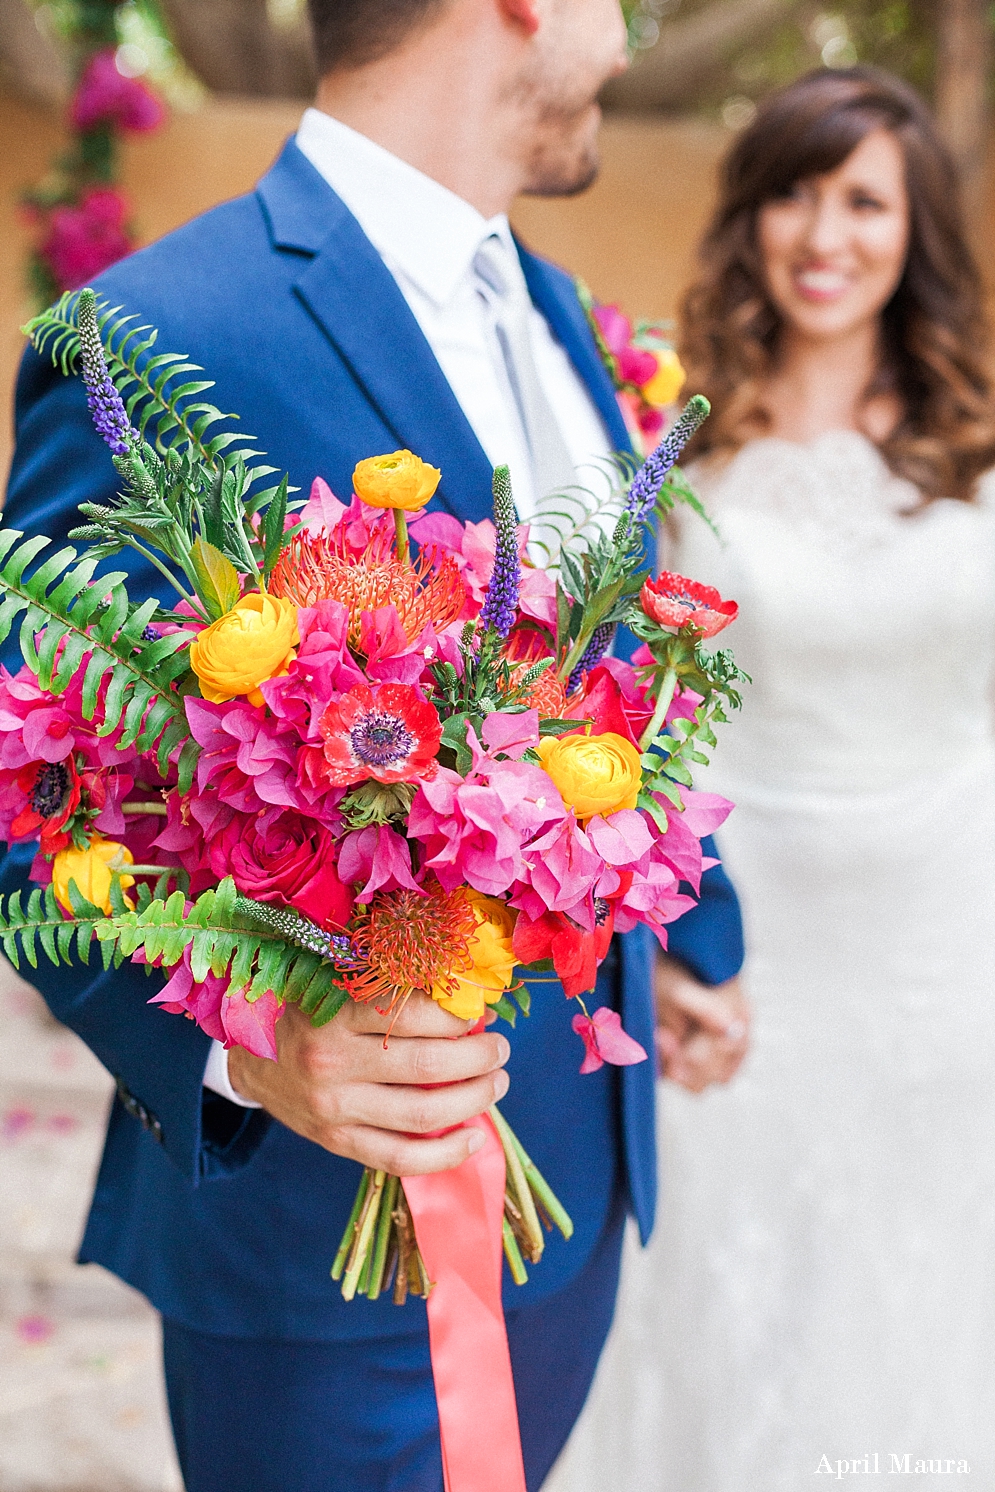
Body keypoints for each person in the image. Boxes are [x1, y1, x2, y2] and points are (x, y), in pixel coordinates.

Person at [2, 3, 747, 1489]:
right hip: (319, 1253)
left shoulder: (557, 319)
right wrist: (250, 1058)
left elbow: (603, 684)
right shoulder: (161, 330)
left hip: (574, 1195)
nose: (626, 35)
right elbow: (28, 785)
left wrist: (682, 937)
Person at [544, 65, 995, 1492]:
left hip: (947, 935)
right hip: (740, 937)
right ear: (751, 220)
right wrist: (667, 942)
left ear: (916, 234)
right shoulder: (672, 455)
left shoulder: (983, 455)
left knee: (926, 1277)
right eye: (796, 189)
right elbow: (621, 714)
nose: (826, 232)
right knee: (742, 1281)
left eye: (866, 199)